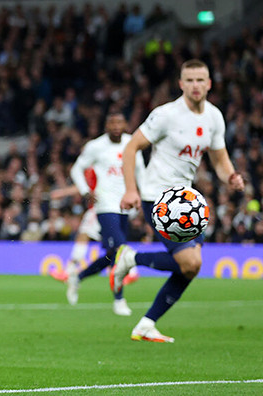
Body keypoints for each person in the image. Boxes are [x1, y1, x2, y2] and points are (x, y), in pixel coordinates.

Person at [115, 60, 245, 342]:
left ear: (210, 83)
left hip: (186, 199)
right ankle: (131, 258)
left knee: (193, 265)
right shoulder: (166, 115)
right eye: (190, 80)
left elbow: (219, 159)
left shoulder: (213, 117)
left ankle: (146, 323)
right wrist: (130, 189)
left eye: (201, 80)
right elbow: (131, 147)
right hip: (158, 196)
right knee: (188, 262)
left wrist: (231, 176)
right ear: (181, 84)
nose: (196, 85)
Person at [50, 114, 144, 315]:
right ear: (106, 126)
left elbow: (140, 171)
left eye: (120, 122)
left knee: (112, 255)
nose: (116, 126)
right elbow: (77, 168)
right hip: (105, 204)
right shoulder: (96, 146)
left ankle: (78, 276)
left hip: (125, 204)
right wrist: (85, 191)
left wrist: (142, 197)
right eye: (112, 123)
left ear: (125, 124)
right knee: (120, 250)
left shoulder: (132, 143)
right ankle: (119, 300)